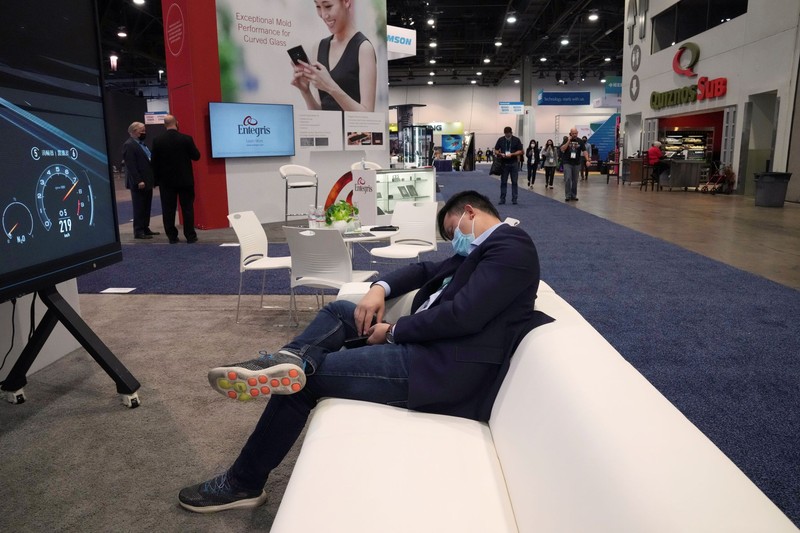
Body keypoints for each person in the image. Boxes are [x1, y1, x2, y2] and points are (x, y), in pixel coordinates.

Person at [178, 190, 549, 513]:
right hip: (424, 349)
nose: (455, 241)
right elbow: (423, 270)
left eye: (454, 232)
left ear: (470, 212)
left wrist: (394, 332)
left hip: (438, 367)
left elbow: (463, 316)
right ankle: (290, 357)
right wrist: (379, 288)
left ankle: (244, 482)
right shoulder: (479, 252)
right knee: (341, 311)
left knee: (303, 383)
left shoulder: (511, 246)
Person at [291, 0, 376, 112]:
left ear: (346, 2)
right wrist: (306, 92)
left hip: (353, 130)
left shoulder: (363, 48)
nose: (324, 15)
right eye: (318, 7)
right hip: (326, 129)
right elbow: (321, 114)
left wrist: (330, 87)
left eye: (328, 6)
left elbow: (368, 115)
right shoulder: (319, 47)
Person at [151, 115, 201, 244]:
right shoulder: (186, 139)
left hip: (166, 182)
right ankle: (190, 235)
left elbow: (154, 163)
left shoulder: (157, 140)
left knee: (168, 209)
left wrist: (156, 180)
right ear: (177, 123)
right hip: (185, 181)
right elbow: (196, 156)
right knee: (187, 208)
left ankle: (172, 237)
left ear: (164, 125)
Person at [122, 122, 158, 240]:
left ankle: (145, 227)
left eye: (144, 130)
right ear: (133, 132)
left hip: (147, 181)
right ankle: (138, 230)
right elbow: (131, 165)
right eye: (141, 131)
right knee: (139, 206)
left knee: (147, 206)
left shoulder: (143, 144)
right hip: (139, 182)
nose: (144, 133)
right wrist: (138, 180)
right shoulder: (129, 145)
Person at [493, 127, 524, 205]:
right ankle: (502, 199)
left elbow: (521, 151)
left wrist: (512, 154)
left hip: (514, 163)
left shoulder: (516, 140)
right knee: (503, 182)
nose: (507, 135)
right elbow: (496, 150)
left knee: (514, 182)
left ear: (511, 132)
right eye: (505, 133)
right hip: (504, 164)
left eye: (508, 133)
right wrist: (500, 153)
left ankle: (514, 199)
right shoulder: (500, 140)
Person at [559, 128, 588, 202]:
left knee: (575, 180)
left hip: (577, 163)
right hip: (567, 162)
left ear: (577, 133)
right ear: (570, 133)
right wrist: (568, 140)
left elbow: (584, 151)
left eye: (576, 133)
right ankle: (568, 195)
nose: (574, 135)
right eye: (573, 133)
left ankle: (573, 195)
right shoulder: (566, 140)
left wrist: (587, 160)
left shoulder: (580, 141)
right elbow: (562, 149)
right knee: (568, 178)